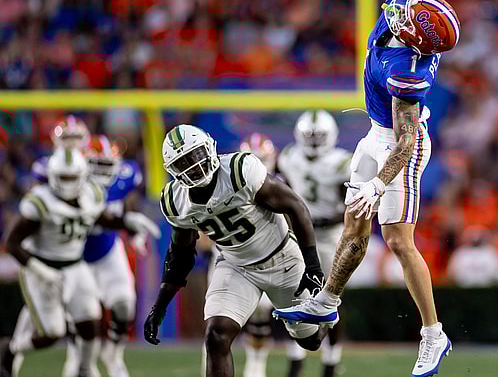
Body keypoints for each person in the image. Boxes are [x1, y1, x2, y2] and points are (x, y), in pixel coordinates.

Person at [274, 0, 460, 375]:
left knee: (398, 240)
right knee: (355, 223)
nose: (396, 9)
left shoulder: (409, 71)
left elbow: (404, 143)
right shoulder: (407, 4)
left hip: (403, 145)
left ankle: (433, 335)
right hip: (377, 137)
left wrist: (380, 183)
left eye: (404, 17)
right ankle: (327, 303)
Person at [143, 125, 329, 377]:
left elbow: (295, 206)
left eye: (196, 156)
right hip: (236, 266)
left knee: (311, 340)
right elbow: (180, 256)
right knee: (216, 335)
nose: (193, 167)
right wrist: (160, 306)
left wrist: (313, 266)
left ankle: (330, 298)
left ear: (209, 147)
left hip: (282, 256)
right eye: (183, 163)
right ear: (173, 172)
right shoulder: (176, 201)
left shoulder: (239, 170)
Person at [0, 148, 160, 377]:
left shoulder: (91, 193)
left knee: (89, 322)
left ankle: (83, 369)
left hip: (75, 264)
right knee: (52, 333)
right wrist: (40, 270)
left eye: (72, 177)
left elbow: (101, 218)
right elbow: (12, 243)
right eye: (63, 177)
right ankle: (12, 347)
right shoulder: (40, 202)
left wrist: (127, 221)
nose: (67, 184)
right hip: (42, 267)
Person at [60, 135, 150, 377]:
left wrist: (134, 235)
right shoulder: (71, 182)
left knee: (124, 305)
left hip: (109, 252)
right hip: (77, 256)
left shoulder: (124, 177)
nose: (104, 172)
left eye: (108, 165)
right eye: (97, 165)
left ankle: (113, 354)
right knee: (81, 315)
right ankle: (76, 356)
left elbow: (128, 204)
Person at [277, 111, 352, 377]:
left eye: (319, 136)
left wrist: (321, 219)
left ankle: (331, 361)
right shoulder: (289, 156)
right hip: (301, 234)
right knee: (296, 295)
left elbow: (349, 206)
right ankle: (296, 359)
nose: (314, 141)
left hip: (331, 235)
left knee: (332, 297)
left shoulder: (342, 162)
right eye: (310, 136)